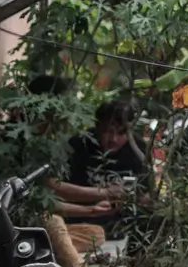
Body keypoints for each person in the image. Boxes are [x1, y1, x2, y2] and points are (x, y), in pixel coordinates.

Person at [52, 99, 146, 237]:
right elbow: (57, 188)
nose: (113, 139)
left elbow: (145, 193)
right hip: (79, 221)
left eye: (121, 133)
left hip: (121, 225)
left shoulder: (138, 149)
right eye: (108, 131)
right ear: (97, 126)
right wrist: (104, 194)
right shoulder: (78, 145)